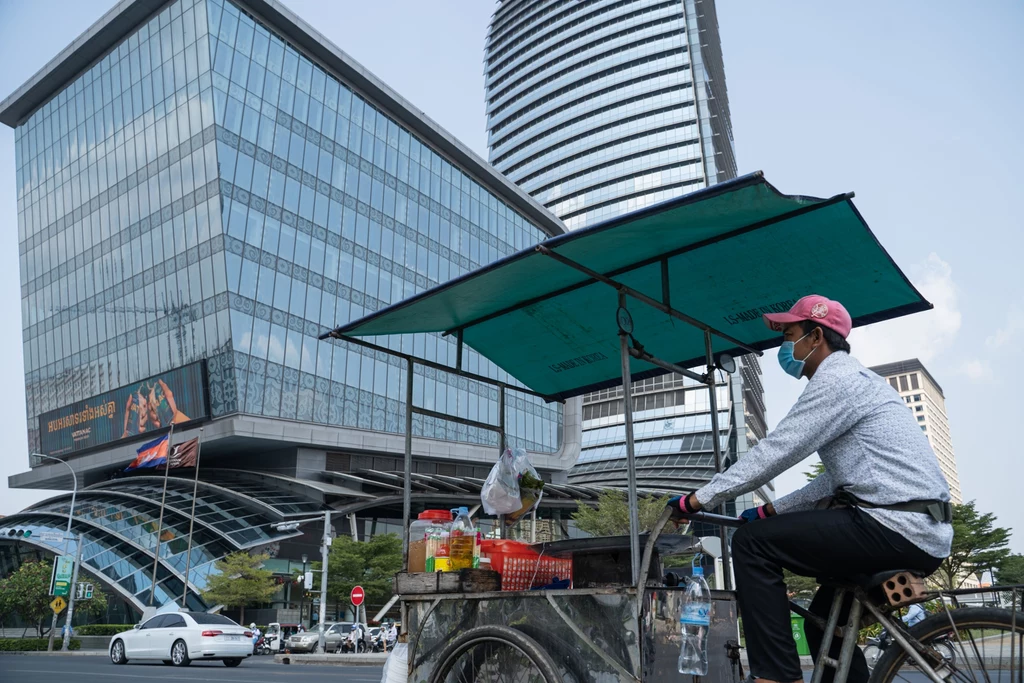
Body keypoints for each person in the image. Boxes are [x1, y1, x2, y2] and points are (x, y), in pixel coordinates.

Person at [667, 295, 952, 683]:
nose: (785, 347)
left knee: (752, 543)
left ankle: (777, 676)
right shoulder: (860, 382)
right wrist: (772, 510)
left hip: (893, 526)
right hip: (917, 530)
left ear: (816, 336)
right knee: (823, 627)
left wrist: (698, 498)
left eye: (789, 335)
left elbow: (777, 450)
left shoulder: (837, 380)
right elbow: (833, 480)